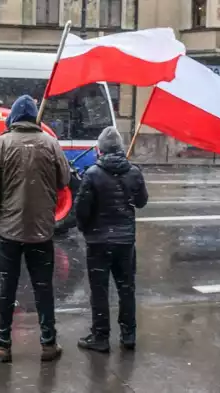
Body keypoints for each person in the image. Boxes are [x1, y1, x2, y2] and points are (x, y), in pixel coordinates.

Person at [0, 94, 71, 363]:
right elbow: (64, 180)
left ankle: (3, 344)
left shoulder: (0, 145)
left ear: (14, 118)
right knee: (43, 288)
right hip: (41, 232)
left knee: (7, 287)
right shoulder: (51, 144)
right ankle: (49, 343)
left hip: (9, 232)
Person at [74, 126, 148, 353]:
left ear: (100, 150)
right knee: (126, 289)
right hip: (125, 242)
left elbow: (81, 210)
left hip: (98, 242)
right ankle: (128, 335)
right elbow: (142, 201)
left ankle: (100, 336)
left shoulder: (92, 174)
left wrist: (86, 230)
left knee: (99, 290)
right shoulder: (133, 171)